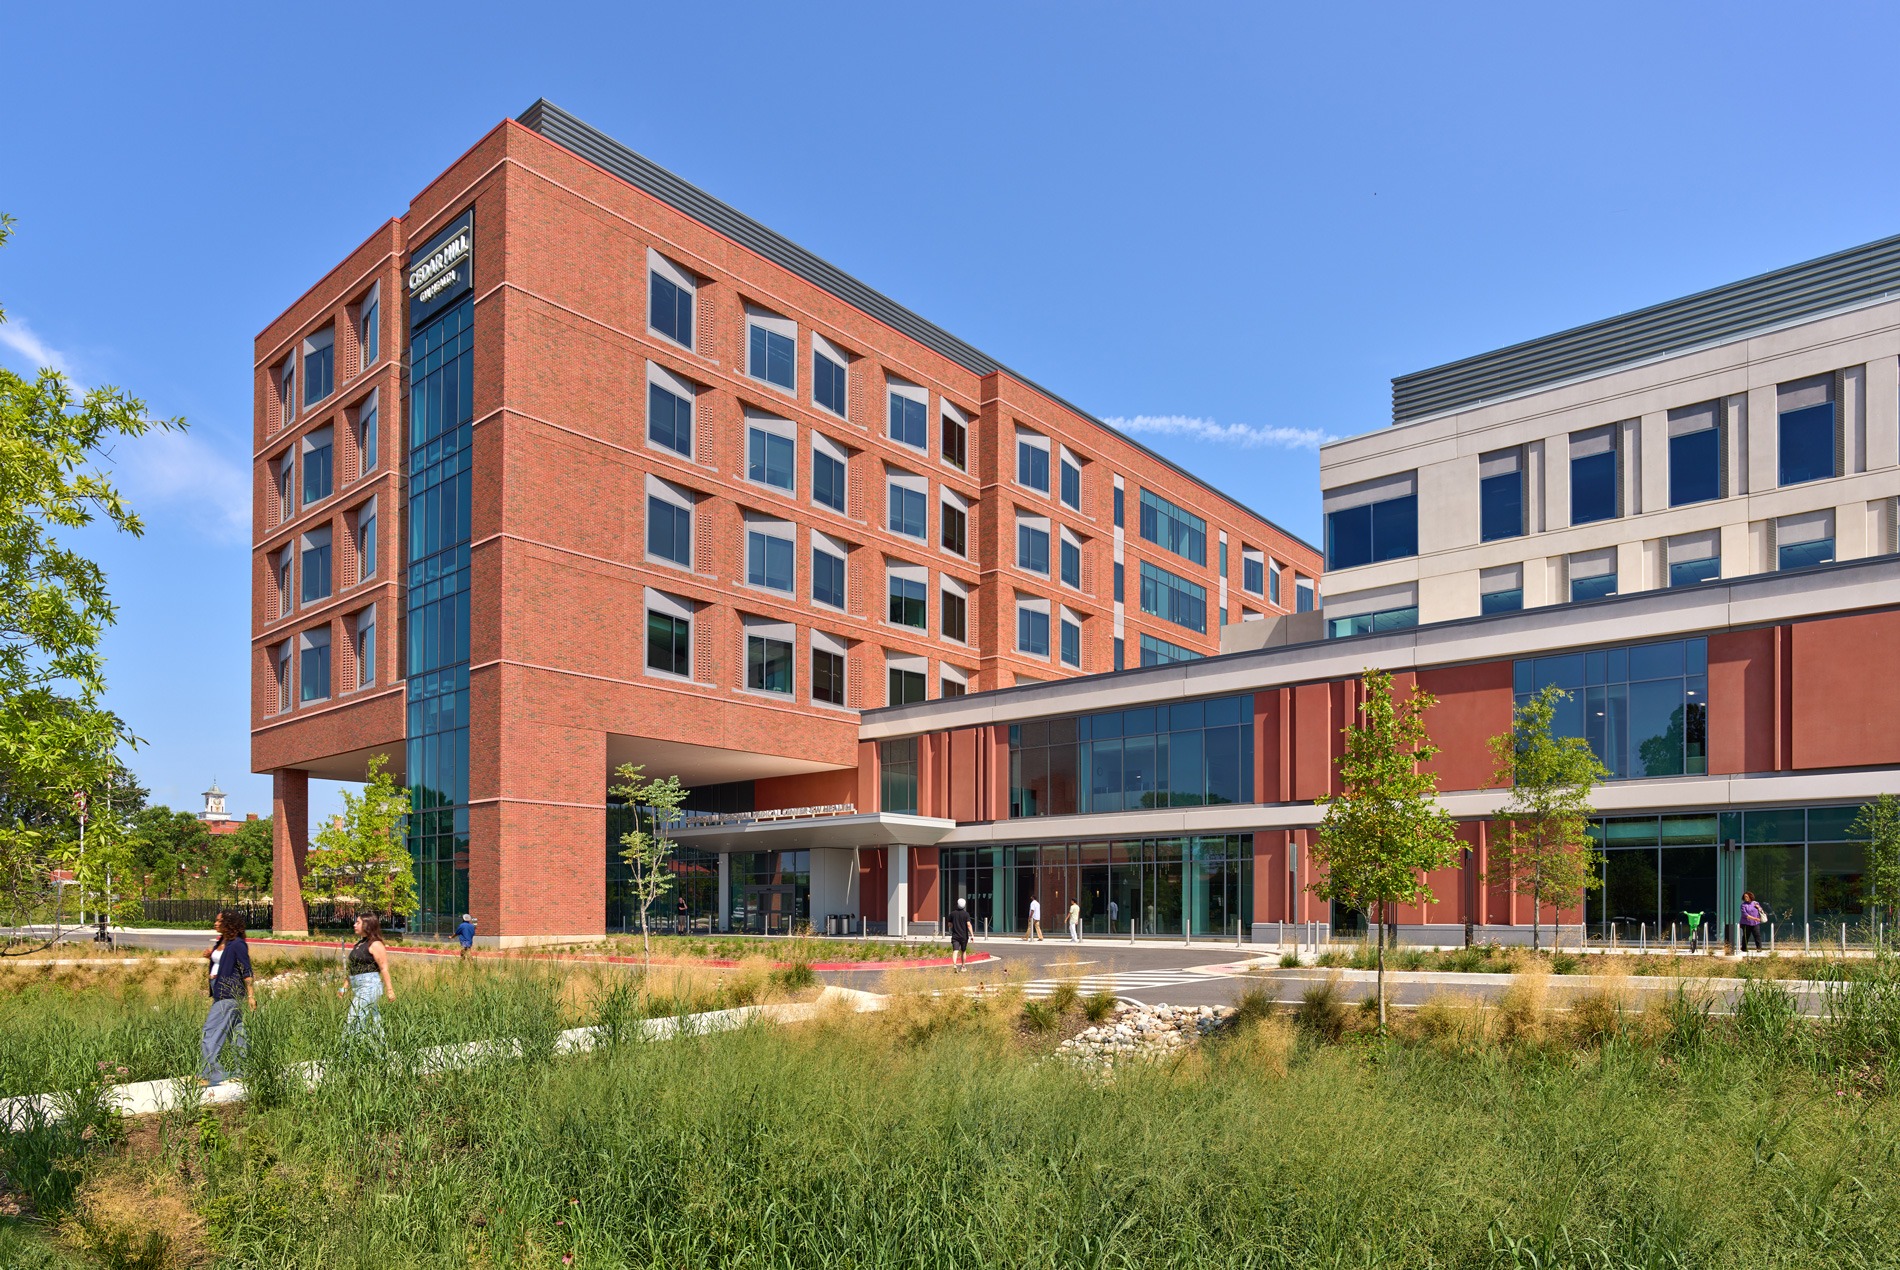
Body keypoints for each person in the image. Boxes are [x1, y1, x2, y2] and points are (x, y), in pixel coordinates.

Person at [199, 911, 257, 1087]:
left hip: (229, 993)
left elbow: (246, 970)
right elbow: (225, 962)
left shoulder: (237, 944)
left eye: (219, 921)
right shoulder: (222, 941)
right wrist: (212, 956)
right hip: (219, 991)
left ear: (229, 923)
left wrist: (251, 995)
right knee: (237, 1034)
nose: (215, 923)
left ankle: (209, 1074)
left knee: (210, 1031)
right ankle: (244, 1071)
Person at [340, 913, 396, 1039]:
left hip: (369, 986)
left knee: (354, 1017)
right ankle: (378, 1051)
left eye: (358, 922)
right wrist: (344, 987)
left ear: (367, 925)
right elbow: (353, 968)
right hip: (358, 986)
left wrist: (390, 990)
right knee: (372, 1019)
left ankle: (348, 1051)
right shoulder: (360, 943)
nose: (354, 925)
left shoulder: (375, 944)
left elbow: (384, 968)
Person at [947, 897, 974, 971]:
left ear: (957, 904)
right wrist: (972, 935)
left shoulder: (952, 914)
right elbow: (968, 925)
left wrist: (953, 925)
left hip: (955, 935)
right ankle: (963, 966)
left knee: (955, 950)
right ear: (964, 905)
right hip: (964, 936)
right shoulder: (966, 914)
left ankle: (954, 965)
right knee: (963, 951)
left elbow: (949, 924)